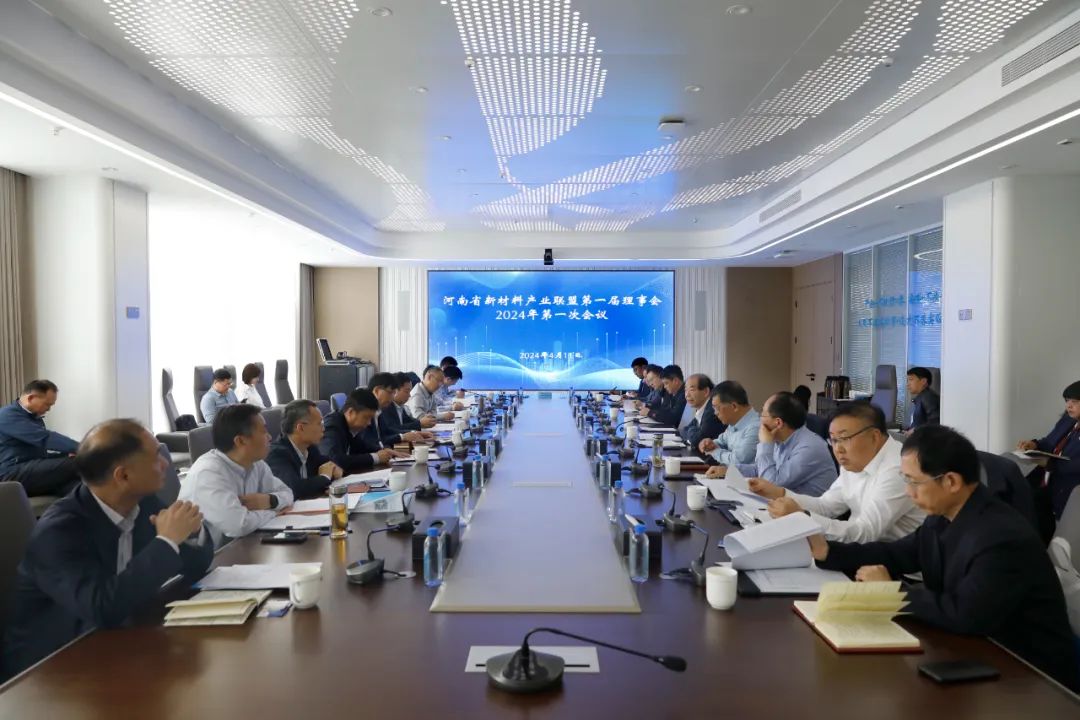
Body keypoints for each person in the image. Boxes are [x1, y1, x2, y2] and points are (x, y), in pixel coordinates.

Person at [808, 425, 1080, 692]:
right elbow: (897, 553)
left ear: (951, 482)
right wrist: (828, 551)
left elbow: (967, 614)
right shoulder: (944, 516)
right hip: (977, 653)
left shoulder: (1002, 537)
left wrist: (889, 593)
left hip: (1033, 677)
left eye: (914, 481)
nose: (908, 492)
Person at [2, 419, 213, 677]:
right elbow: (101, 608)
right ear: (123, 476)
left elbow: (196, 566)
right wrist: (167, 541)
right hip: (51, 666)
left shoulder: (142, 502)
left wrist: (191, 532)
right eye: (155, 457)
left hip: (119, 640)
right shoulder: (59, 532)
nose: (165, 464)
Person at [759, 401, 925, 542]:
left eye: (844, 439)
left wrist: (803, 518)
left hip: (894, 562)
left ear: (874, 437)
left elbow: (866, 533)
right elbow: (826, 507)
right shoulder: (855, 458)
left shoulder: (898, 469)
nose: (838, 449)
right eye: (833, 440)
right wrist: (779, 493)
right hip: (860, 549)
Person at [179, 404, 293, 546]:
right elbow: (239, 525)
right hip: (214, 555)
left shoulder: (255, 463)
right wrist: (273, 513)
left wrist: (270, 501)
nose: (270, 437)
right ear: (240, 441)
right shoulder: (208, 472)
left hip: (245, 545)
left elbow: (287, 493)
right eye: (264, 432)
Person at [740, 392, 836, 497]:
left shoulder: (809, 447)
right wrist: (730, 470)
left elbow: (771, 485)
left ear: (778, 423)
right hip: (786, 503)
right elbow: (762, 469)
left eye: (763, 414)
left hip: (808, 507)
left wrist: (765, 444)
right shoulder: (780, 439)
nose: (760, 419)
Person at [0, 379, 81, 497]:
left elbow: (39, 455)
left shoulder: (33, 417)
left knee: (78, 487)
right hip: (10, 473)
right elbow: (45, 438)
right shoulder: (7, 416)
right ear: (31, 398)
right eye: (47, 404)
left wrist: (65, 454)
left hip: (28, 469)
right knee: (80, 462)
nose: (49, 409)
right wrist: (84, 448)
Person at [266, 399, 359, 500]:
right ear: (300, 428)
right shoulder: (277, 454)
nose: (323, 429)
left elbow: (329, 464)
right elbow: (293, 489)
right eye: (319, 423)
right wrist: (325, 477)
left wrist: (336, 469)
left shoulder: (309, 447)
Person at [1017, 380, 1080, 518]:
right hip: (1046, 483)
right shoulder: (1068, 420)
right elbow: (1049, 442)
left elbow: (1076, 466)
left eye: (1074, 401)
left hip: (1069, 490)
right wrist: (1034, 444)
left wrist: (1049, 463)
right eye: (1067, 400)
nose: (1069, 405)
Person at [322, 389, 406, 474]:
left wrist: (384, 450)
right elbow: (335, 460)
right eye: (366, 417)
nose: (369, 423)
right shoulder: (332, 426)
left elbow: (362, 447)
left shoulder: (349, 425)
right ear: (351, 412)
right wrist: (376, 457)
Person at [702, 381, 760, 473]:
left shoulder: (755, 427)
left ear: (734, 406)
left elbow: (738, 461)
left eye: (717, 408)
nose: (715, 413)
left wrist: (714, 451)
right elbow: (721, 441)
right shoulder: (734, 423)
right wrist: (709, 444)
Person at [368, 373, 435, 447]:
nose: (392, 397)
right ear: (377, 391)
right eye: (390, 392)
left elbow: (388, 431)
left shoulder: (379, 411)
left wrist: (414, 433)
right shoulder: (367, 411)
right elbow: (374, 442)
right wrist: (402, 437)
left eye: (394, 393)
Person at [680, 374, 723, 449]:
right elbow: (684, 430)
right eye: (686, 390)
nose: (687, 395)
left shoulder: (712, 410)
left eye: (691, 390)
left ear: (706, 392)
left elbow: (697, 440)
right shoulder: (702, 408)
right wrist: (693, 431)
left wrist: (691, 431)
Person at [905, 367, 939, 431]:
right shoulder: (920, 397)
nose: (908, 384)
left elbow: (935, 423)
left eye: (911, 380)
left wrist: (915, 430)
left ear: (923, 381)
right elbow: (918, 422)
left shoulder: (929, 397)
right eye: (908, 380)